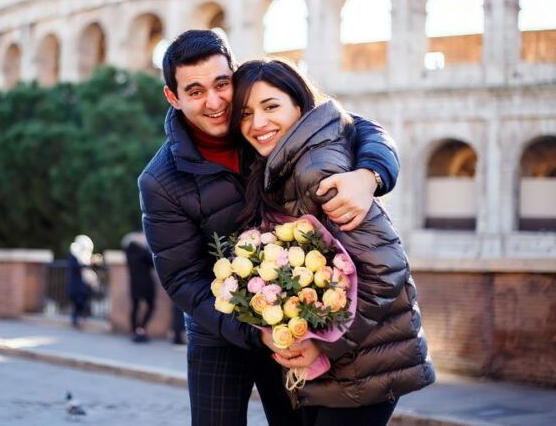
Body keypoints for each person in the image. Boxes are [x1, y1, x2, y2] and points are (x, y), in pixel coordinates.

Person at [138, 30, 401, 426]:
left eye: (222, 84)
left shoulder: (264, 120)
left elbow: (357, 128)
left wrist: (369, 175)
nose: (214, 102)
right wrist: (255, 330)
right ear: (173, 97)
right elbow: (182, 279)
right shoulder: (160, 180)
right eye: (194, 91)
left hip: (294, 314)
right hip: (220, 325)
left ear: (235, 75)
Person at [230, 59, 435, 426]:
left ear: (300, 105)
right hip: (343, 367)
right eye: (245, 113)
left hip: (365, 363)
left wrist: (322, 343)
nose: (257, 123)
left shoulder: (318, 169)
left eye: (271, 106)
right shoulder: (283, 164)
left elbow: (386, 268)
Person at [122, 231, 156, 343]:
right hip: (146, 283)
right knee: (150, 306)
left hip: (133, 283)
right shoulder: (143, 251)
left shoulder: (128, 252)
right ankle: (141, 329)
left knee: (135, 307)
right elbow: (152, 262)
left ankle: (134, 331)